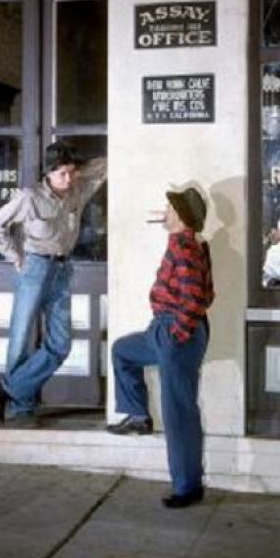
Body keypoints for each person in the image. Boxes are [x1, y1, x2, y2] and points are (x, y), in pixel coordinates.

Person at [0, 141, 107, 425]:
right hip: (35, 267)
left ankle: (6, 390)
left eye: (71, 172)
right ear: (48, 173)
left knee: (61, 343)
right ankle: (20, 405)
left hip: (62, 270)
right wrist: (15, 256)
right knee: (21, 337)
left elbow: (104, 165)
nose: (68, 178)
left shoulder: (78, 188)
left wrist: (77, 162)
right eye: (61, 173)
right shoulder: (29, 197)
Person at [108, 184, 214, 509]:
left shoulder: (184, 247)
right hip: (163, 330)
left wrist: (176, 336)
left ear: (180, 216)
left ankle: (186, 487)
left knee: (179, 412)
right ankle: (138, 415)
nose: (164, 211)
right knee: (123, 351)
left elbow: (197, 298)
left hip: (174, 333)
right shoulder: (183, 243)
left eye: (170, 207)